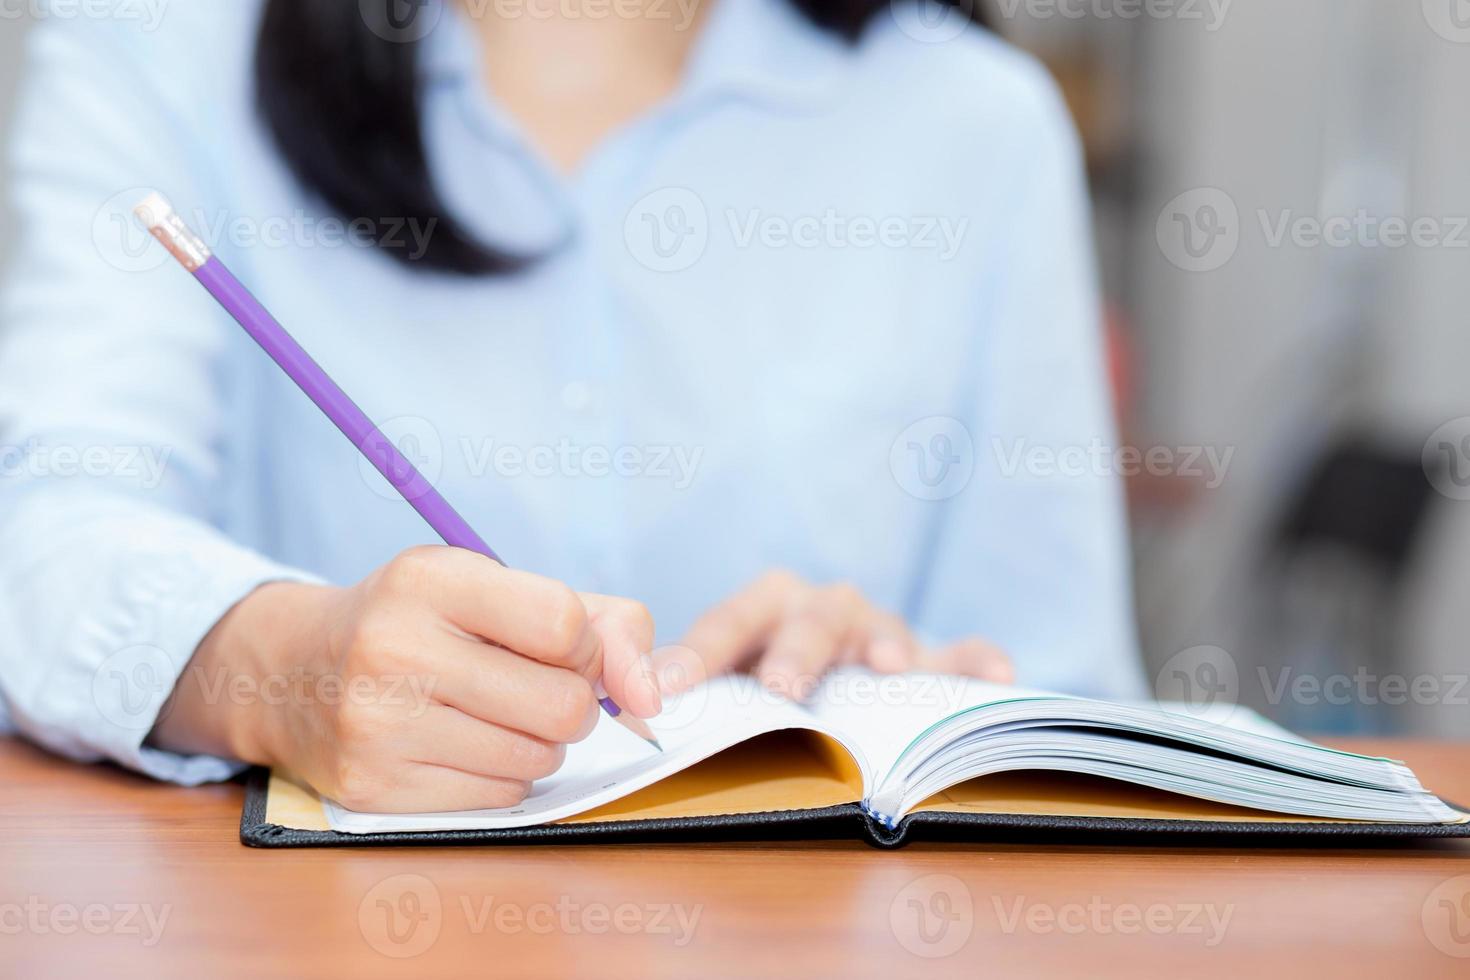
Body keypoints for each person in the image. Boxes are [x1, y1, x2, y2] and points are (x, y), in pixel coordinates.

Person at [0, 0, 1143, 812]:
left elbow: (1067, 690)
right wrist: (281, 667)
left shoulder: (974, 120)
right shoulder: (150, 44)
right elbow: (45, 540)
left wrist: (909, 687)